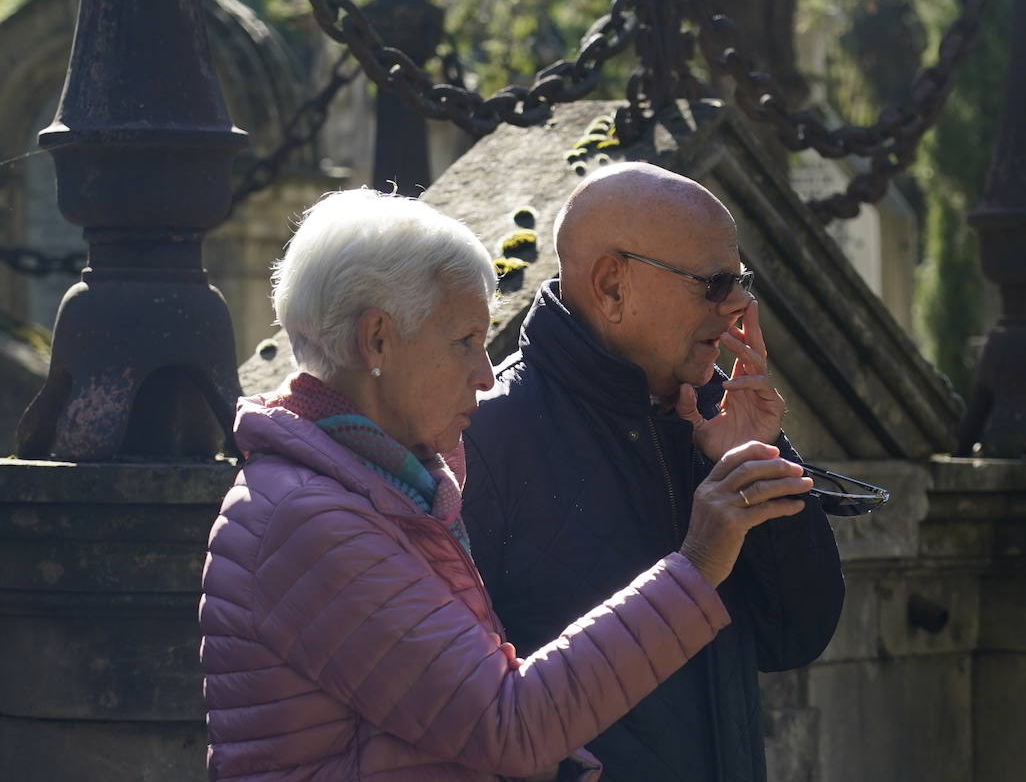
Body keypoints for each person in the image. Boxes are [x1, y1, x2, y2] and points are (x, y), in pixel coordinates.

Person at [199, 188, 814, 781]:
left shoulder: (384, 490)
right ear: (377, 339)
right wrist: (698, 563)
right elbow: (511, 724)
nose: (485, 374)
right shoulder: (309, 521)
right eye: (465, 341)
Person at [463, 163, 846, 781]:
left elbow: (795, 637)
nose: (740, 306)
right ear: (613, 286)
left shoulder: (711, 419)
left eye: (742, 279)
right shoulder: (485, 438)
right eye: (715, 282)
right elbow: (463, 713)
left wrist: (753, 460)